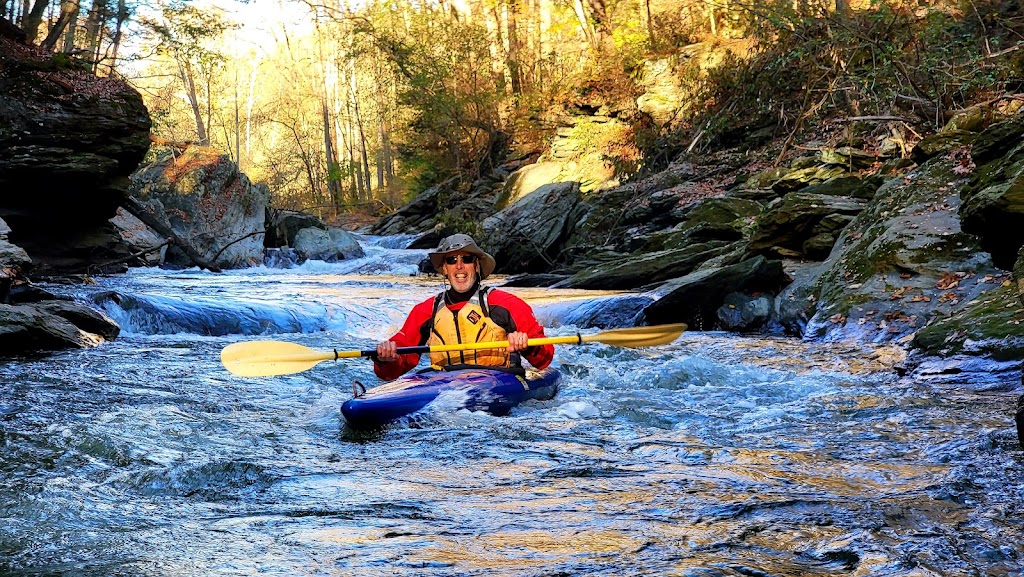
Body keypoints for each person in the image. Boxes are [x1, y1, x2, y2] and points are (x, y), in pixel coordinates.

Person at [374, 233, 554, 381]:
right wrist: (386, 358)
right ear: (445, 269)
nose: (459, 266)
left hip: (497, 382)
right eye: (451, 260)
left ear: (476, 266)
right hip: (445, 386)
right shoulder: (425, 311)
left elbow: (545, 359)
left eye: (466, 259)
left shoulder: (507, 304)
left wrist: (526, 346)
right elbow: (390, 372)